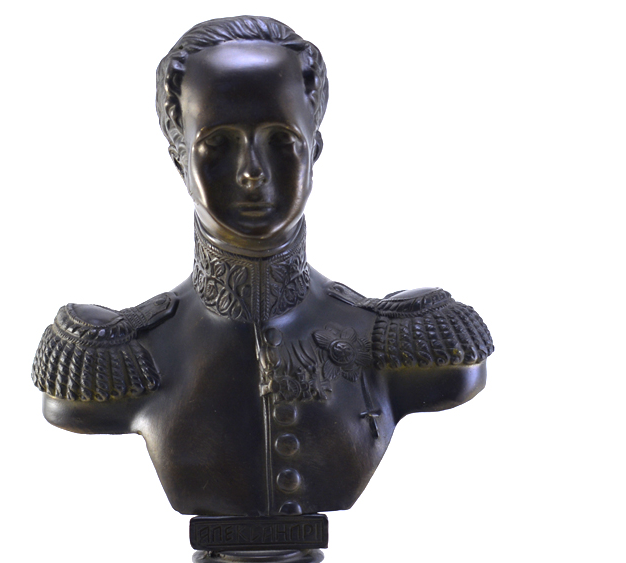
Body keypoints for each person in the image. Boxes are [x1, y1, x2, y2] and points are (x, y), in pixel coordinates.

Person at [32, 16, 493, 518]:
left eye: (279, 141)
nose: (252, 172)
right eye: (220, 144)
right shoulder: (123, 357)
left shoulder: (398, 344)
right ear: (180, 159)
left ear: (314, 151)